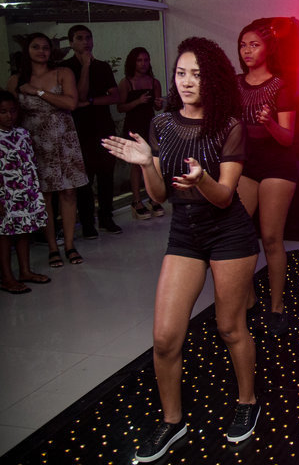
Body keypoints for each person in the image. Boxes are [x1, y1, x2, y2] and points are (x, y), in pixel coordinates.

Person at [102, 37, 261, 463]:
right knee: (164, 338)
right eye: (181, 73)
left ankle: (247, 401)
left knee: (230, 328)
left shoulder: (229, 126)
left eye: (197, 75)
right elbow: (158, 196)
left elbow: (224, 196)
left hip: (229, 234)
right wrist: (145, 164)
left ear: (213, 80)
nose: (187, 82)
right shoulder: (162, 124)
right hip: (185, 236)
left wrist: (201, 179)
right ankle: (173, 422)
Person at [236, 19, 297, 336]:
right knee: (237, 232)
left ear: (267, 50)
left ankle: (276, 307)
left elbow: (288, 138)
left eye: (254, 45)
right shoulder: (235, 84)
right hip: (245, 163)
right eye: (243, 45)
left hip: (277, 164)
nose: (247, 50)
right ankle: (248, 299)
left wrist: (270, 123)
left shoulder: (280, 86)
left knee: (271, 238)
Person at [7, 32, 89, 267]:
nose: (42, 51)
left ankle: (70, 245)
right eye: (36, 47)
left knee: (69, 192)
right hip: (34, 141)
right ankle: (53, 246)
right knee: (45, 196)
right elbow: (9, 113)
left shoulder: (63, 72)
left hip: (64, 139)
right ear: (27, 50)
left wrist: (38, 92)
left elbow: (71, 103)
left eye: (45, 47)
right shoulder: (16, 80)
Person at [61, 25, 122, 237]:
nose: (85, 42)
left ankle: (106, 217)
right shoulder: (66, 68)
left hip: (103, 127)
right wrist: (86, 66)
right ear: (71, 43)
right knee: (84, 179)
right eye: (79, 38)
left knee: (106, 175)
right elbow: (77, 96)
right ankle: (87, 223)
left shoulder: (103, 67)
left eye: (88, 37)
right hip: (80, 131)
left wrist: (90, 101)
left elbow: (115, 96)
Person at [0, 90, 50, 293]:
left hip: (24, 191)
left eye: (12, 111)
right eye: (3, 112)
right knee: (4, 236)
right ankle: (6, 277)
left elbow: (30, 162)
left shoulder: (22, 133)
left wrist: (34, 191)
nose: (9, 116)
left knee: (24, 231)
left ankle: (25, 271)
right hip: (5, 195)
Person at [117, 47, 165, 219]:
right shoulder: (126, 82)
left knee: (154, 162)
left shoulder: (154, 82)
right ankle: (136, 201)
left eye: (146, 60)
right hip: (134, 126)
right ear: (133, 62)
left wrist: (159, 103)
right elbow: (120, 107)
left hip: (150, 125)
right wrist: (138, 101)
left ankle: (154, 198)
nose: (143, 63)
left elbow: (157, 107)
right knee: (136, 165)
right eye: (139, 60)